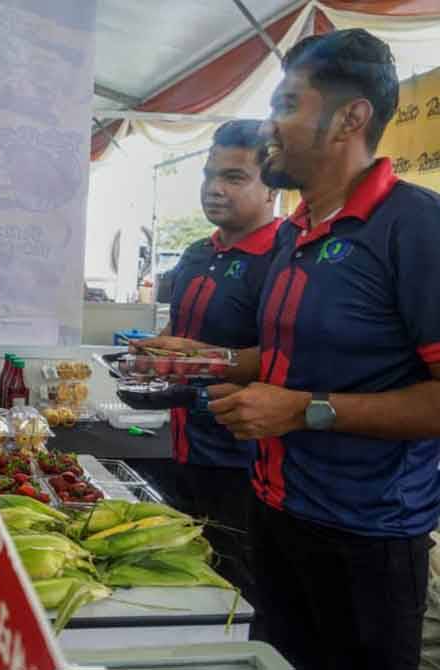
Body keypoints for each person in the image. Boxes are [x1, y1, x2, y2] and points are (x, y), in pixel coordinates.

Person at [157, 30, 440, 669]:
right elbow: (285, 361)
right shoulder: (299, 233)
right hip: (275, 511)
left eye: (287, 105)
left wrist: (303, 410)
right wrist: (204, 359)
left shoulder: (415, 227)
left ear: (350, 118)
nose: (269, 128)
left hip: (368, 540)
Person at [144, 120, 279, 606]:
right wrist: (153, 351)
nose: (214, 189)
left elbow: (297, 358)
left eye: (234, 177)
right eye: (208, 175)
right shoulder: (199, 252)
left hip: (247, 459)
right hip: (182, 442)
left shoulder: (284, 256)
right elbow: (179, 335)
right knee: (188, 575)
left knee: (238, 587)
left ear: (272, 187)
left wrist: (203, 359)